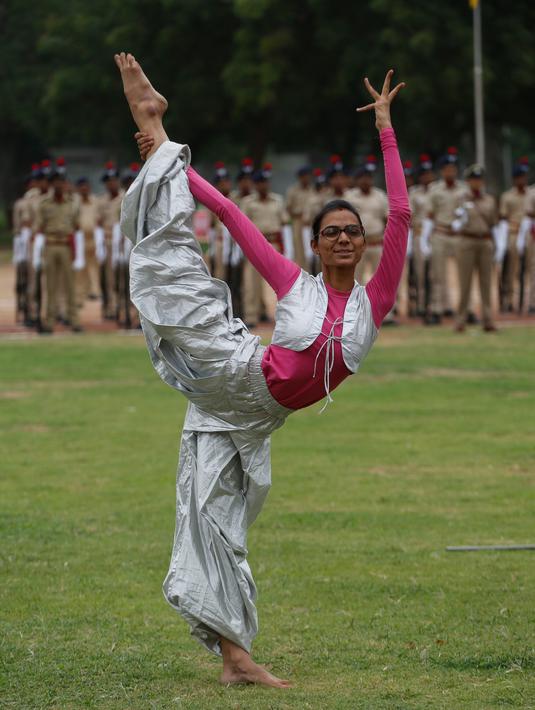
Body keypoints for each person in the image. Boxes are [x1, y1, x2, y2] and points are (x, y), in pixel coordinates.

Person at [115, 52, 409, 689]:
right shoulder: (294, 286)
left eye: (351, 232)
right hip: (236, 371)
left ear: (364, 242)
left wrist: (385, 126)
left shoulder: (374, 300)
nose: (341, 239)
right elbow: (229, 213)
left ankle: (234, 659)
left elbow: (403, 215)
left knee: (217, 522)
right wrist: (170, 156)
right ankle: (157, 129)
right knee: (182, 293)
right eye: (330, 232)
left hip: (253, 423)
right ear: (315, 242)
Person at [36, 159, 82, 333]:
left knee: (70, 285)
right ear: (51, 183)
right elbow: (39, 226)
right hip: (50, 245)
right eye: (55, 181)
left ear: (64, 183)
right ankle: (49, 321)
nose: (58, 184)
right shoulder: (44, 204)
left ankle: (74, 320)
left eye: (61, 181)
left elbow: (76, 225)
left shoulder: (71, 203)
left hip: (66, 246)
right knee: (51, 285)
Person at [240, 164, 290, 326]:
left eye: (266, 181)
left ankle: (282, 315)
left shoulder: (277, 200)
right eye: (260, 182)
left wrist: (285, 247)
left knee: (280, 280)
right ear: (255, 184)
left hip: (274, 242)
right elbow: (241, 224)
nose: (264, 185)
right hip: (256, 243)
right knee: (251, 281)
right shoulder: (248, 202)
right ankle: (251, 316)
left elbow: (284, 224)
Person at [421, 147, 466, 324]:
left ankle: (466, 309)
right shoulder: (434, 190)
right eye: (447, 168)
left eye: (453, 168)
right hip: (440, 233)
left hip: (459, 233)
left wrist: (461, 222)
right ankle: (437, 309)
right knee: (438, 274)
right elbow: (429, 216)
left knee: (464, 273)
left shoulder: (464, 189)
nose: (451, 171)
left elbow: (468, 212)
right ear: (442, 171)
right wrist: (425, 240)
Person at [452, 165, 498, 332]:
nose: (477, 183)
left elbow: (493, 223)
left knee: (486, 282)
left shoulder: (490, 200)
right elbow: (454, 220)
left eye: (479, 180)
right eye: (474, 180)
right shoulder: (461, 199)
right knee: (465, 282)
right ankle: (460, 320)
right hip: (467, 241)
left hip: (485, 241)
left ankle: (488, 319)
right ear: (468, 181)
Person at [498, 159, 530, 312]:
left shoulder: (532, 194)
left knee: (531, 269)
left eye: (524, 177)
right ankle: (509, 300)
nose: (522, 180)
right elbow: (503, 218)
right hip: (513, 233)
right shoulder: (507, 196)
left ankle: (531, 303)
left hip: (531, 234)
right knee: (512, 269)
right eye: (519, 177)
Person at [286, 165, 313, 269]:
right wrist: (297, 213)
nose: (305, 178)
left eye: (307, 176)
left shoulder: (313, 190)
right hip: (298, 222)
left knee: (315, 250)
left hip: (313, 222)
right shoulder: (293, 190)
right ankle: (304, 273)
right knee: (299, 250)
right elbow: (288, 208)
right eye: (303, 176)